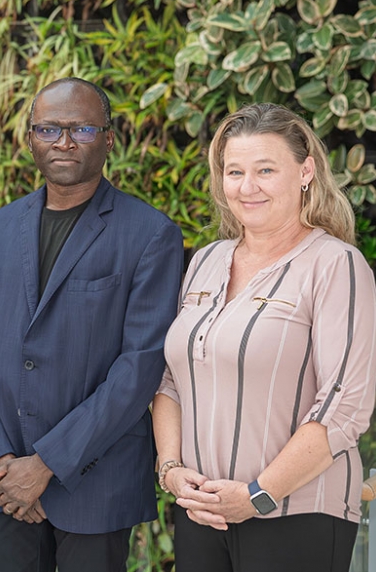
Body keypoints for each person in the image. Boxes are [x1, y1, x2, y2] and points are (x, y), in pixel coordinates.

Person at [0, 77, 184, 571]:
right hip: (5, 483)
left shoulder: (150, 234)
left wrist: (46, 465)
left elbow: (139, 367)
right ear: (31, 137)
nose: (63, 141)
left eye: (81, 128)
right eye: (49, 129)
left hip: (95, 485)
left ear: (108, 137)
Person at [153, 103, 376, 572]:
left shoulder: (335, 265)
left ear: (306, 172)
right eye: (234, 171)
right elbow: (171, 381)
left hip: (298, 513)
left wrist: (258, 495)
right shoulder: (206, 261)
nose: (247, 187)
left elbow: (345, 407)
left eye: (266, 170)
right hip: (202, 511)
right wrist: (172, 472)